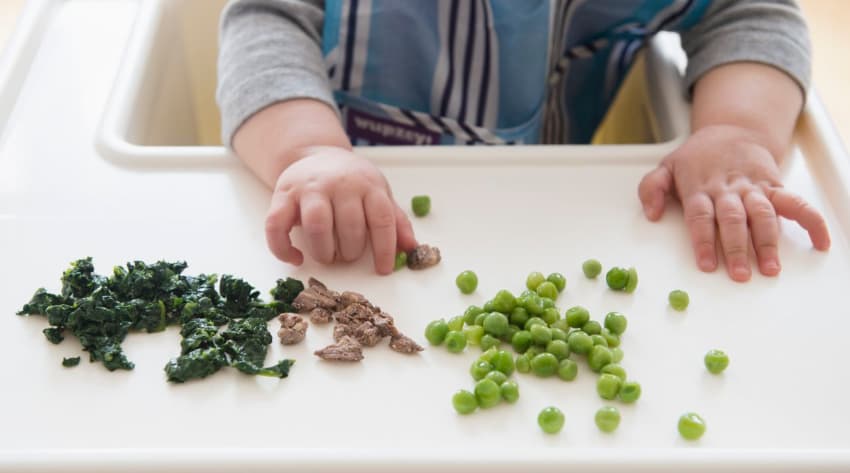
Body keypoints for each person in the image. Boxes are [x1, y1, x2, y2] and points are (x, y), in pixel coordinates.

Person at [217, 0, 831, 280]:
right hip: (348, 209)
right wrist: (306, 151)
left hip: (549, 214)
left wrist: (736, 132)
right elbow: (264, 22)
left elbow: (750, 12)